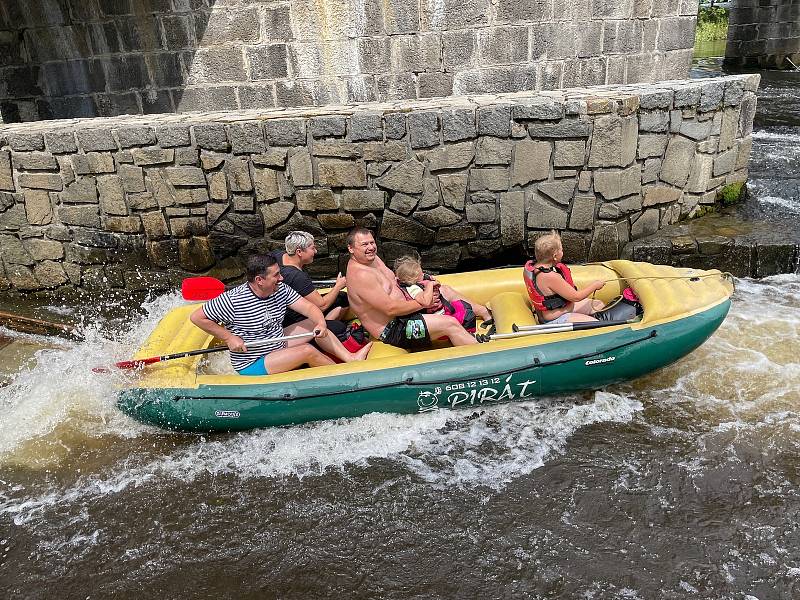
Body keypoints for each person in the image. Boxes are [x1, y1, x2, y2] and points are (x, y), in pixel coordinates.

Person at [190, 254, 371, 376]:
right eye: (276, 275)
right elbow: (197, 317)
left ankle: (351, 359)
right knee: (307, 351)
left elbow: (310, 308)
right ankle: (345, 378)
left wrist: (321, 324)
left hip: (276, 341)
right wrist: (229, 337)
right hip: (253, 361)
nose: (282, 278)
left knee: (314, 323)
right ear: (259, 280)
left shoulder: (281, 289)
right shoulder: (232, 300)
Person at [345, 227, 478, 349]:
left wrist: (421, 285)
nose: (370, 247)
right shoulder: (361, 275)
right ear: (351, 248)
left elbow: (393, 281)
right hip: (396, 329)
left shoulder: (371, 259)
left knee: (445, 290)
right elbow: (390, 309)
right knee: (450, 323)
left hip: (407, 310)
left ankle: (487, 314)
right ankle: (481, 356)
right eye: (364, 244)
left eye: (372, 243)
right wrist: (424, 302)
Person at [523, 230, 606, 324]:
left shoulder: (534, 269)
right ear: (555, 256)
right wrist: (595, 285)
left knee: (599, 305)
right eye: (561, 250)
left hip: (555, 311)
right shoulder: (550, 277)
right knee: (597, 324)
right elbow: (576, 297)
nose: (563, 252)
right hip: (554, 318)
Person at [270, 231, 348, 327]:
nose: (316, 251)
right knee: (344, 299)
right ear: (299, 252)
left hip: (280, 309)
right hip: (293, 319)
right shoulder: (297, 277)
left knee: (340, 298)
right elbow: (322, 306)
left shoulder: (276, 255)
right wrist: (338, 286)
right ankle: (324, 326)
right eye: (312, 248)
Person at [393, 254, 491, 331]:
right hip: (434, 317)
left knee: (462, 306)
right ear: (413, 278)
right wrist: (430, 286)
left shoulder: (419, 281)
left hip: (440, 310)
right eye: (420, 274)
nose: (423, 274)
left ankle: (482, 313)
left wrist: (433, 285)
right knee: (465, 315)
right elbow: (426, 302)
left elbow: (436, 283)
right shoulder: (413, 288)